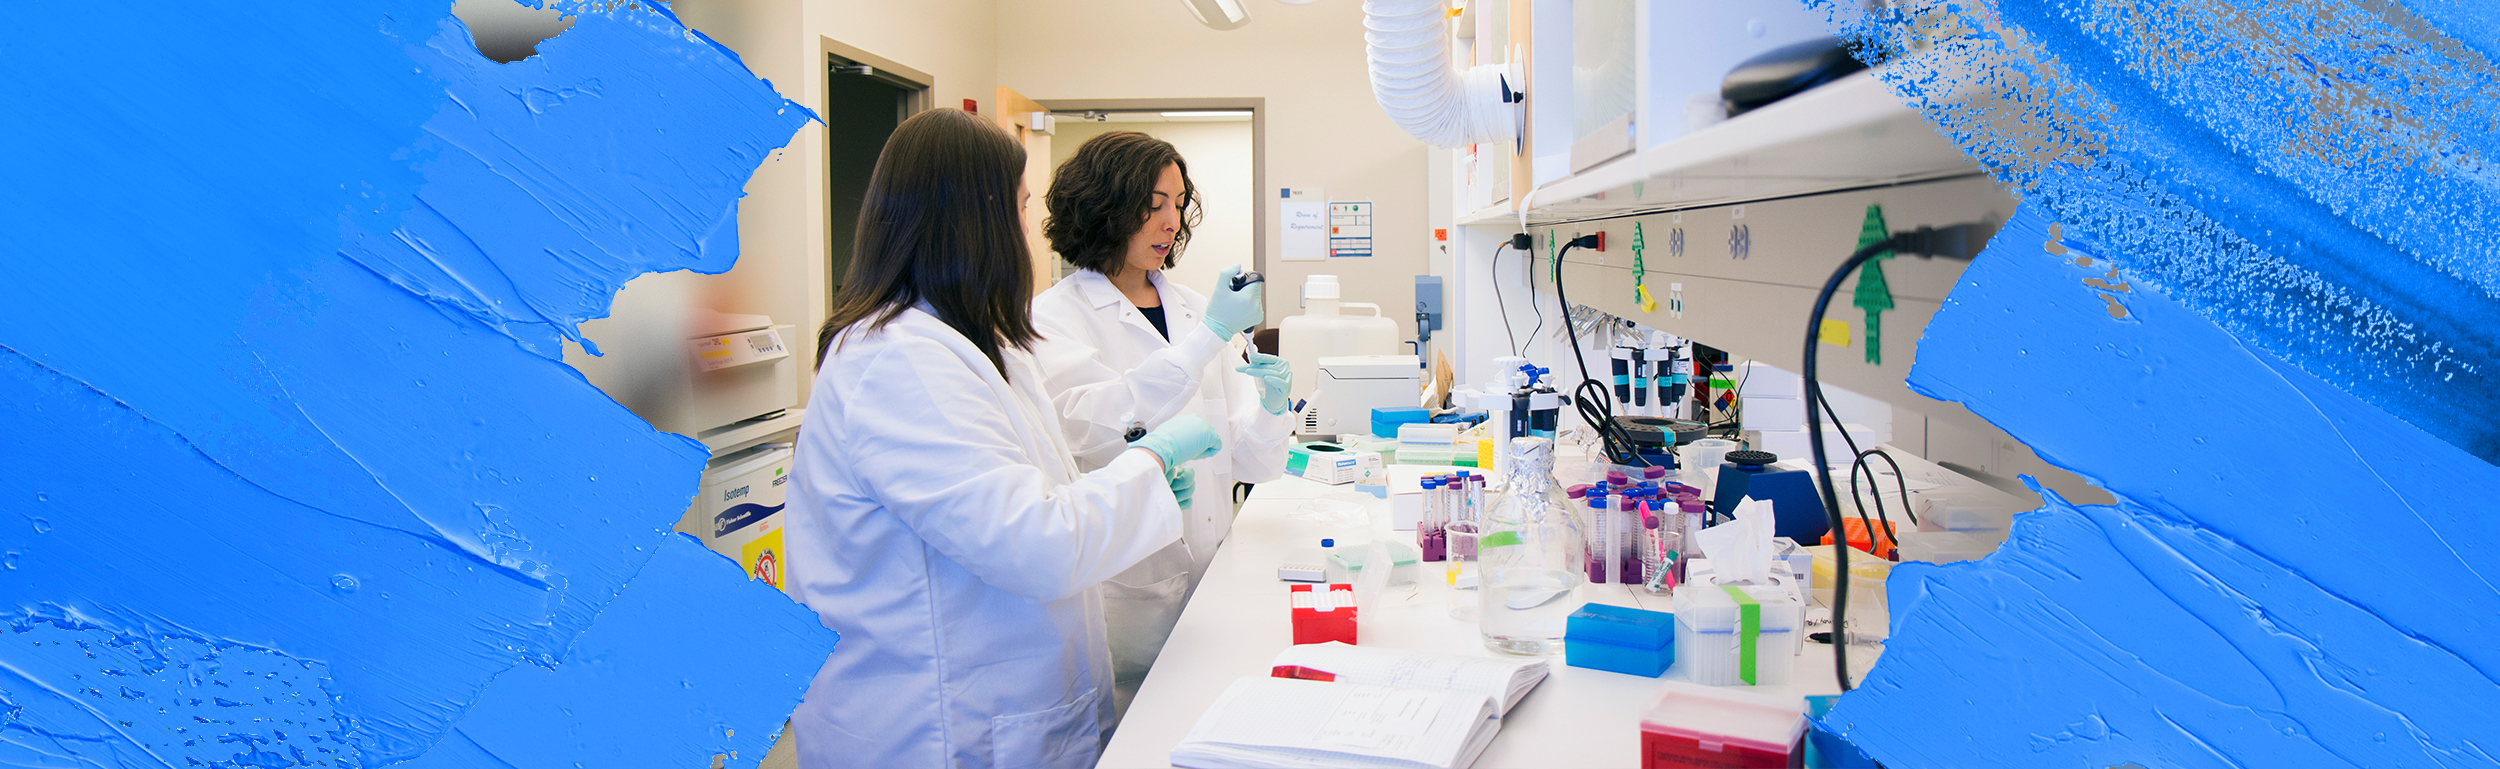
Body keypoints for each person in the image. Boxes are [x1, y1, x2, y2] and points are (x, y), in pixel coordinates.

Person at [783, 108, 1223, 769]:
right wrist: (1150, 465)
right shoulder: (898, 362)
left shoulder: (974, 344)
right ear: (973, 219)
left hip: (1016, 705)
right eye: (1018, 208)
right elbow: (1033, 542)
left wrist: (1132, 478)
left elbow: (1034, 490)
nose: (1026, 231)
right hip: (938, 728)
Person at [1028, 131, 1296, 707]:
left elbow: (1249, 460)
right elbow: (1096, 428)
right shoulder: (1053, 318)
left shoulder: (1197, 308)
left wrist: (1274, 413)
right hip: (1125, 594)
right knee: (1132, 732)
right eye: (1153, 203)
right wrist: (1208, 341)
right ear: (1104, 206)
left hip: (1216, 574)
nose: (1170, 221)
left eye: (1178, 203)